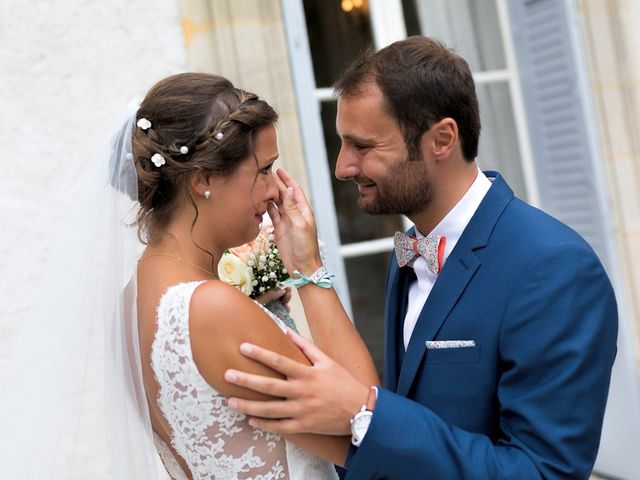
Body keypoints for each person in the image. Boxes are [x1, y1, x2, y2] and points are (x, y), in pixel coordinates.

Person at [222, 36, 619, 479]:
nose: (342, 167)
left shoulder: (554, 269)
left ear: (442, 139)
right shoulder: (410, 253)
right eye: (342, 144)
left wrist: (363, 411)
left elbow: (544, 472)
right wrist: (306, 267)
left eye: (363, 146)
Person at [0, 72, 379, 479]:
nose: (277, 191)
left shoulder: (132, 301)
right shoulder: (213, 308)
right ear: (203, 180)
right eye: (265, 170)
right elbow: (371, 429)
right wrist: (307, 269)